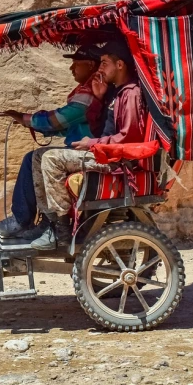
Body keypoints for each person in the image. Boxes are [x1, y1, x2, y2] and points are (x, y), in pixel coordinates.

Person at [27, 39, 148, 250]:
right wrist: (100, 99)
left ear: (119, 65)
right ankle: (49, 221)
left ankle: (61, 230)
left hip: (116, 159)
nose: (99, 68)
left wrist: (92, 143)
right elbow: (103, 127)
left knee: (51, 159)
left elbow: (128, 138)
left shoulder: (131, 94)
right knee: (39, 156)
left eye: (104, 63)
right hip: (104, 152)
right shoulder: (116, 93)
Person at [0, 45, 104, 238]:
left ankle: (49, 224)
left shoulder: (91, 91)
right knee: (33, 157)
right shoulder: (90, 88)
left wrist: (27, 119)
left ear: (91, 64)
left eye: (76, 63)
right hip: (84, 146)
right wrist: (31, 123)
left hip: (94, 151)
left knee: (41, 158)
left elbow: (58, 120)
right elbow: (70, 127)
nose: (71, 68)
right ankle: (36, 221)